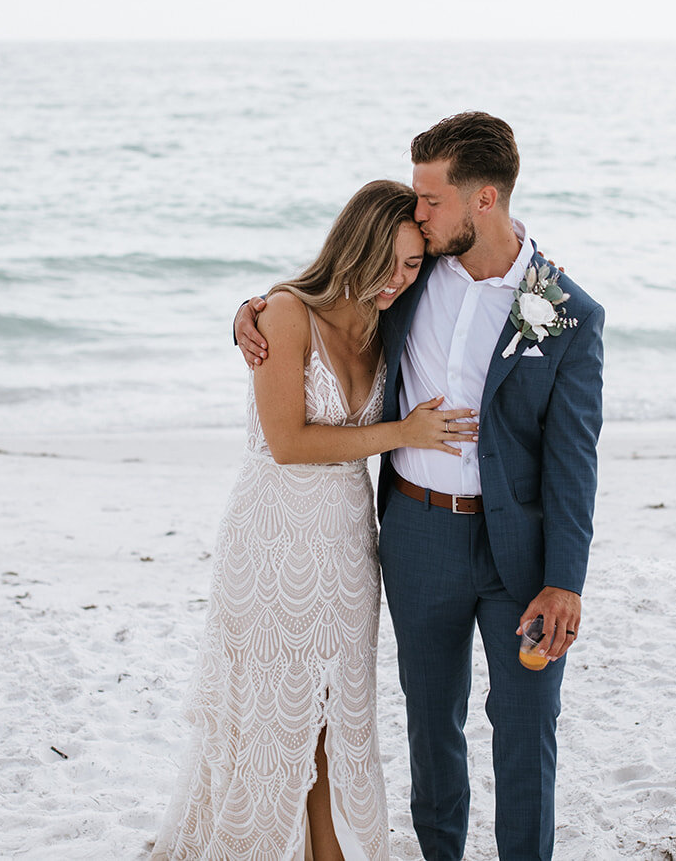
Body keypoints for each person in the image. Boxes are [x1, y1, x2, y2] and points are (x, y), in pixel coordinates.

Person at [236, 113, 605, 861]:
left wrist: (565, 580)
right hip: (416, 535)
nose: (419, 212)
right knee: (432, 722)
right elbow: (320, 310)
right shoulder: (406, 275)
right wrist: (248, 312)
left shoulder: (567, 315)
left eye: (433, 199)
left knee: (528, 723)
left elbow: (575, 460)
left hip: (520, 554)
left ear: (485, 200)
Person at [151, 179, 479, 861]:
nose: (398, 278)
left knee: (337, 712)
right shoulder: (286, 315)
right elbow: (289, 442)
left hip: (349, 541)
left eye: (413, 264)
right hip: (272, 536)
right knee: (276, 711)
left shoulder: (395, 319)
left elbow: (478, 271)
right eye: (386, 260)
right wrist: (401, 432)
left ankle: (328, 850)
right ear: (352, 247)